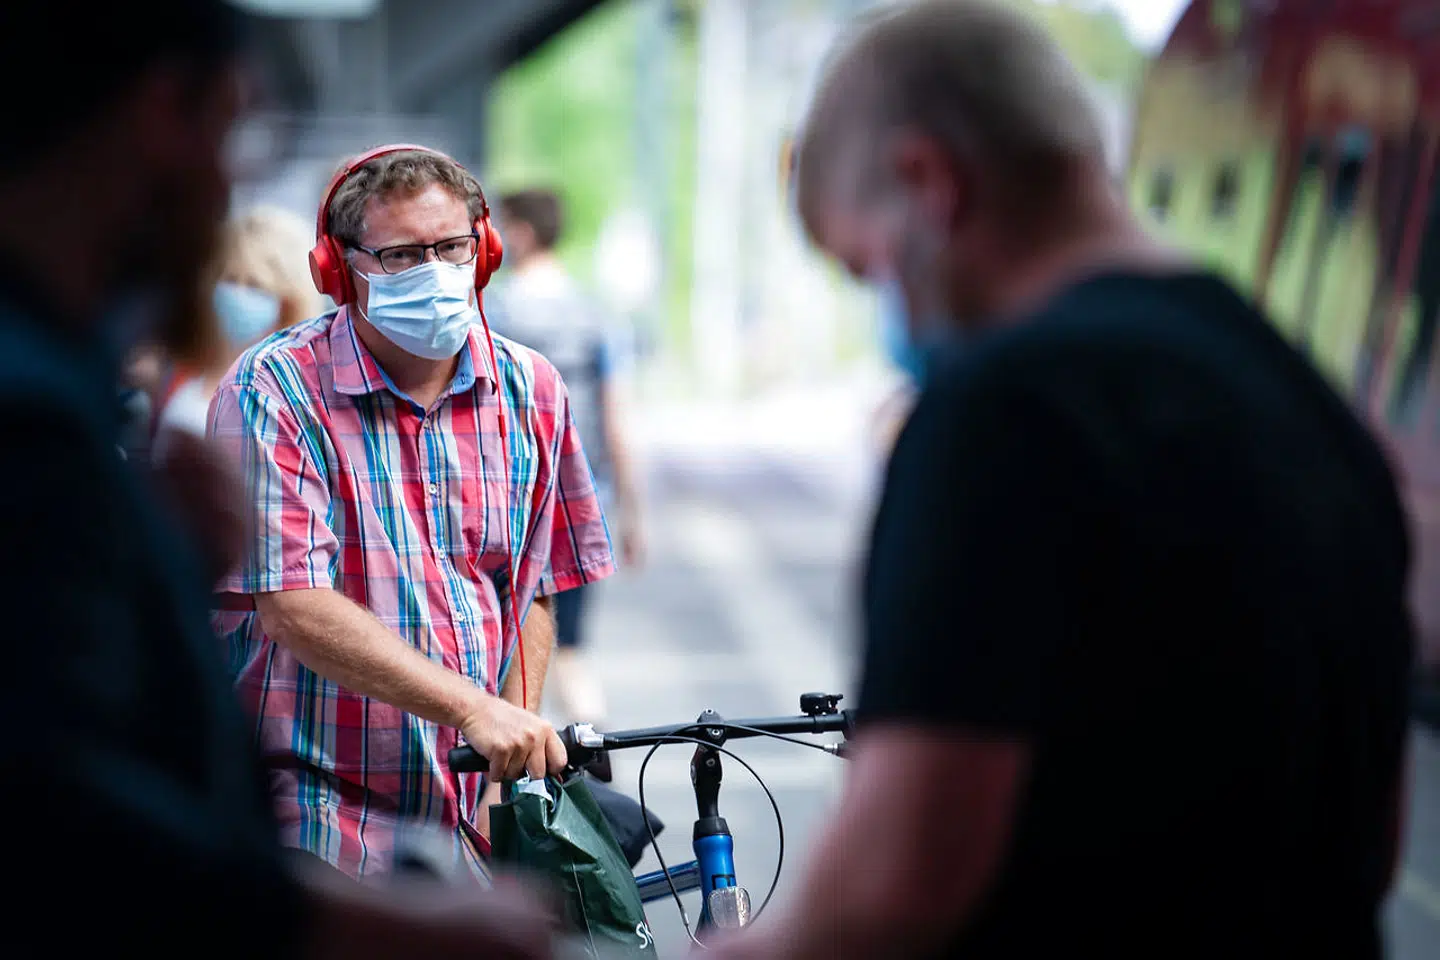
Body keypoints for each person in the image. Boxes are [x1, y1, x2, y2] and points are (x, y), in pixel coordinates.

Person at [707, 2, 1414, 958]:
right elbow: (1376, 841)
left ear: (929, 181)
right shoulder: (1315, 406)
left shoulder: (1004, 411)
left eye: (869, 267)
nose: (892, 306)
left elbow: (893, 886)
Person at [0, 4, 556, 958]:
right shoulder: (37, 422)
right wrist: (353, 924)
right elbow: (63, 816)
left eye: (451, 250)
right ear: (164, 114)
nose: (229, 183)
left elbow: (528, 588)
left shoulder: (67, 392)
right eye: (233, 131)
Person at [209, 146, 617, 881]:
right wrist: (471, 709)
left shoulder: (533, 392)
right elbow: (292, 604)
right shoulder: (271, 390)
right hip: (310, 804)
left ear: (485, 251)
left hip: (463, 811)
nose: (432, 271)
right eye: (399, 256)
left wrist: (508, 758)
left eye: (451, 247)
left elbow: (531, 590)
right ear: (339, 270)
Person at [489, 188, 646, 726]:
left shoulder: (494, 314)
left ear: (525, 232)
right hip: (581, 503)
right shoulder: (595, 316)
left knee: (506, 657)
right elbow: (617, 420)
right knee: (571, 649)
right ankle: (594, 756)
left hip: (505, 506)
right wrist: (630, 513)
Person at [154, 205, 324, 455]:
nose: (238, 295)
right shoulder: (188, 367)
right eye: (231, 279)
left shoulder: (295, 398)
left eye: (256, 285)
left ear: (289, 300)